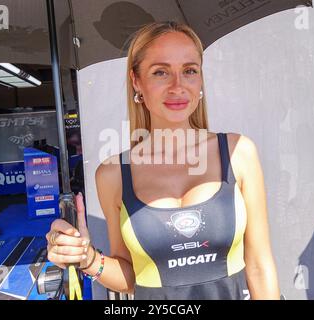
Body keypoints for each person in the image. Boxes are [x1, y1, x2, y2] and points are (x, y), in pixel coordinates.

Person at [46, 21, 280, 300]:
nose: (177, 86)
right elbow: (131, 276)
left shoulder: (238, 152)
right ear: (137, 81)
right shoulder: (113, 174)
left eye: (189, 71)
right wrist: (86, 258)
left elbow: (259, 266)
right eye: (160, 72)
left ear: (201, 78)